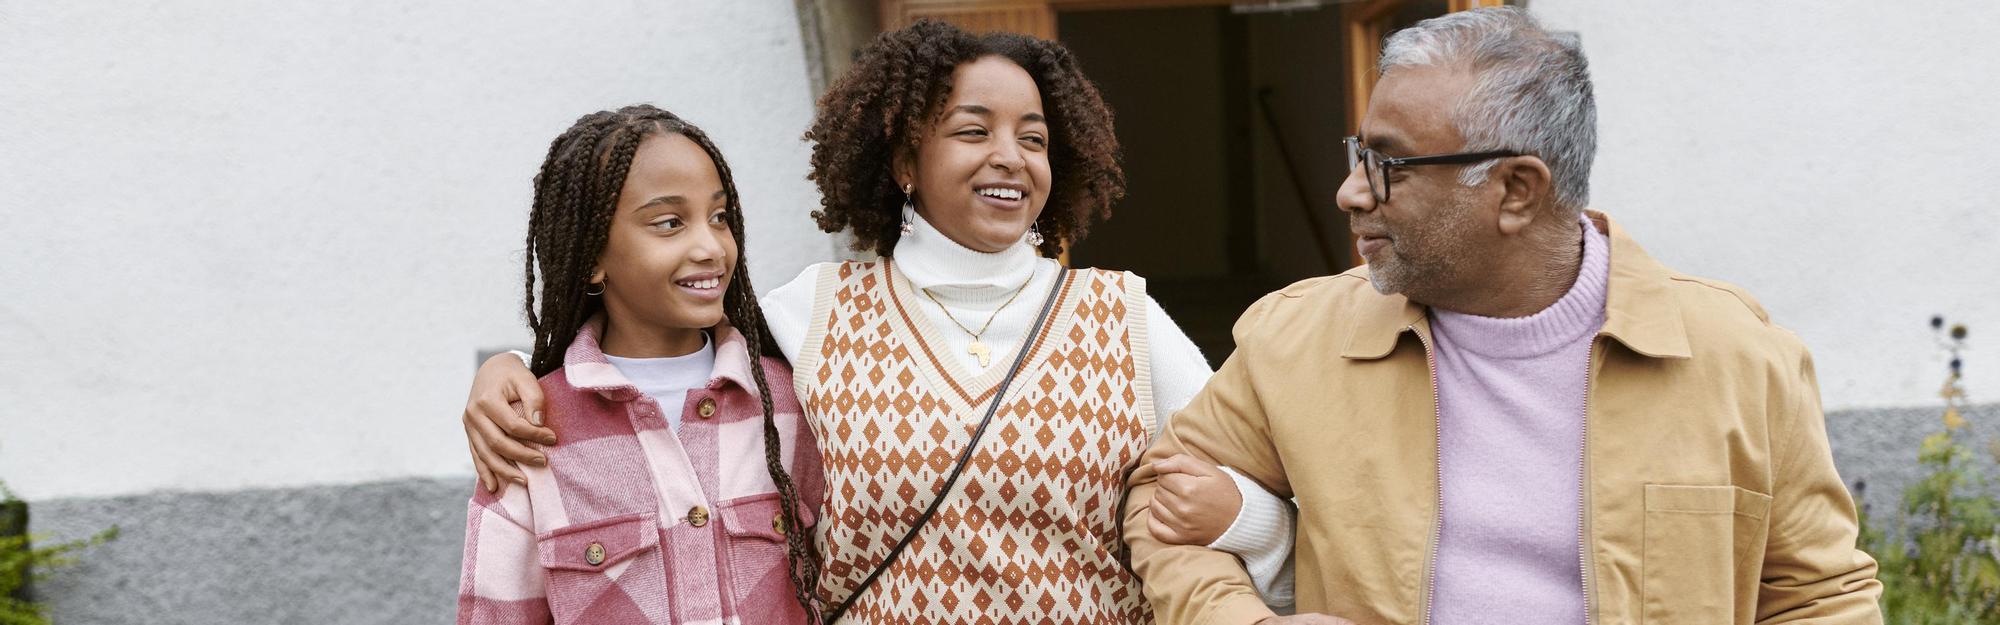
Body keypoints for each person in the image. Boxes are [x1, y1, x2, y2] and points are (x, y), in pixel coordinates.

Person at [459, 21, 1295, 624]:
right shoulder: (810, 313)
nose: (1010, 154)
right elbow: (654, 347)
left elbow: (1275, 484)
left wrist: (1237, 513)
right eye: (975, 130)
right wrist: (507, 371)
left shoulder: (1122, 316)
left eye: (1034, 138)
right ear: (904, 161)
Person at [1124, 7, 1884, 625]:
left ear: (1517, 190)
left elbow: (1820, 597)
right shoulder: (1294, 338)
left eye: (1387, 164)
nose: (1351, 192)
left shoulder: (1736, 356)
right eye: (1359, 153)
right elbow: (1159, 494)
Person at [456, 105, 821, 625]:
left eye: (719, 217)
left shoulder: (791, 405)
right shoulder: (528, 430)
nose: (710, 246)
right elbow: (497, 613)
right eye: (669, 223)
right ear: (593, 257)